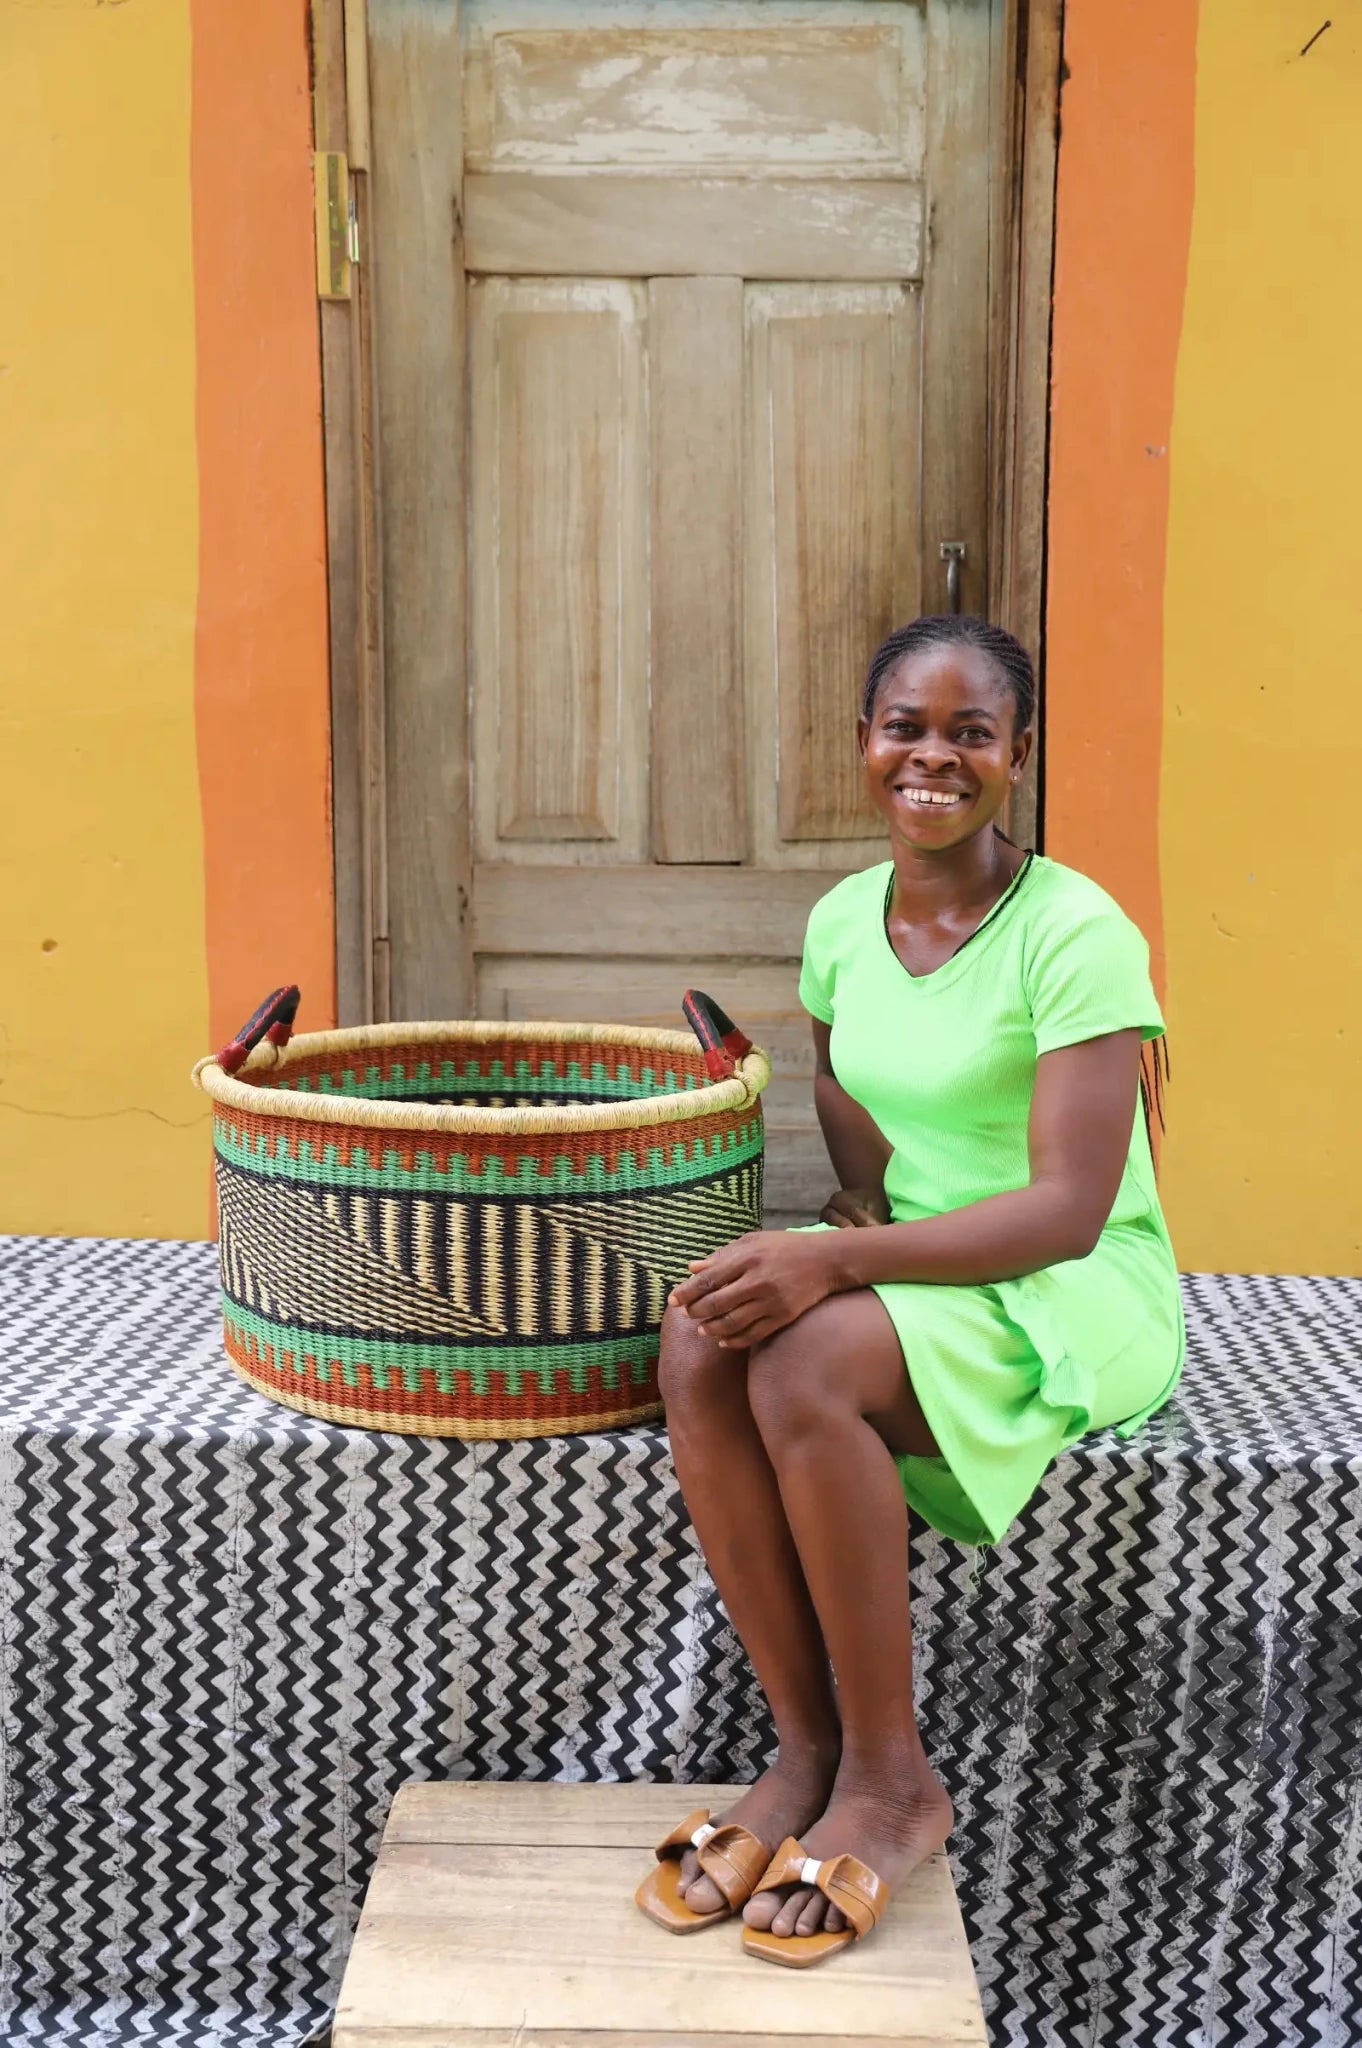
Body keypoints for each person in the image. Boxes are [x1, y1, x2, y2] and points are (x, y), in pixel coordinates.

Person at [634, 615, 1183, 1969]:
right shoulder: (841, 920)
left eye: (969, 734)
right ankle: (802, 1749)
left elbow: (1066, 1207)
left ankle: (889, 1782)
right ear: (865, 744)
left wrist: (836, 1261)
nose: (931, 758)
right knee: (701, 1339)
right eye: (905, 728)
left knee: (802, 1360)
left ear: (1018, 757)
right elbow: (838, 1078)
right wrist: (858, 1214)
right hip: (925, 1261)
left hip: (1074, 1286)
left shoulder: (1074, 932)